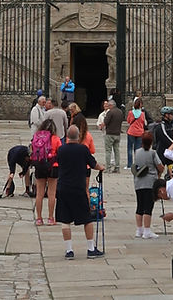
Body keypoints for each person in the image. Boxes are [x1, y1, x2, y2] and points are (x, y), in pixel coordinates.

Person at [55, 125, 103, 259]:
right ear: (78, 136)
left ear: (67, 136)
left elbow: (57, 162)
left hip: (63, 187)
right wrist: (101, 168)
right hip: (78, 188)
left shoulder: (61, 149)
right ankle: (90, 248)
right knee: (87, 219)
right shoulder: (83, 149)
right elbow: (94, 164)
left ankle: (69, 250)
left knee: (65, 220)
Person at [132, 132, 163, 238]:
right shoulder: (153, 153)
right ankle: (147, 230)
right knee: (148, 207)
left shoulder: (137, 152)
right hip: (150, 183)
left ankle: (139, 230)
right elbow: (160, 166)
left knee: (139, 206)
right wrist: (159, 173)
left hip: (138, 182)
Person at [30, 118, 59, 225]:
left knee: (39, 193)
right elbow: (60, 153)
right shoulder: (56, 139)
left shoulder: (36, 137)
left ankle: (39, 218)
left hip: (39, 166)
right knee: (51, 193)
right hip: (53, 166)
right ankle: (51, 218)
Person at [101, 98, 123, 173]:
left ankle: (108, 168)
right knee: (116, 151)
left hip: (110, 133)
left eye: (109, 105)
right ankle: (117, 167)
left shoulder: (110, 112)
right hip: (117, 133)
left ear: (111, 105)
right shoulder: (120, 112)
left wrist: (102, 126)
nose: (108, 107)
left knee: (108, 151)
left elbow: (106, 122)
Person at [126, 99, 147, 168]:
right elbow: (143, 122)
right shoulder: (142, 114)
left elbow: (128, 121)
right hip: (140, 132)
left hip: (131, 132)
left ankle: (129, 164)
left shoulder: (130, 113)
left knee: (129, 149)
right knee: (138, 150)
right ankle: (138, 165)